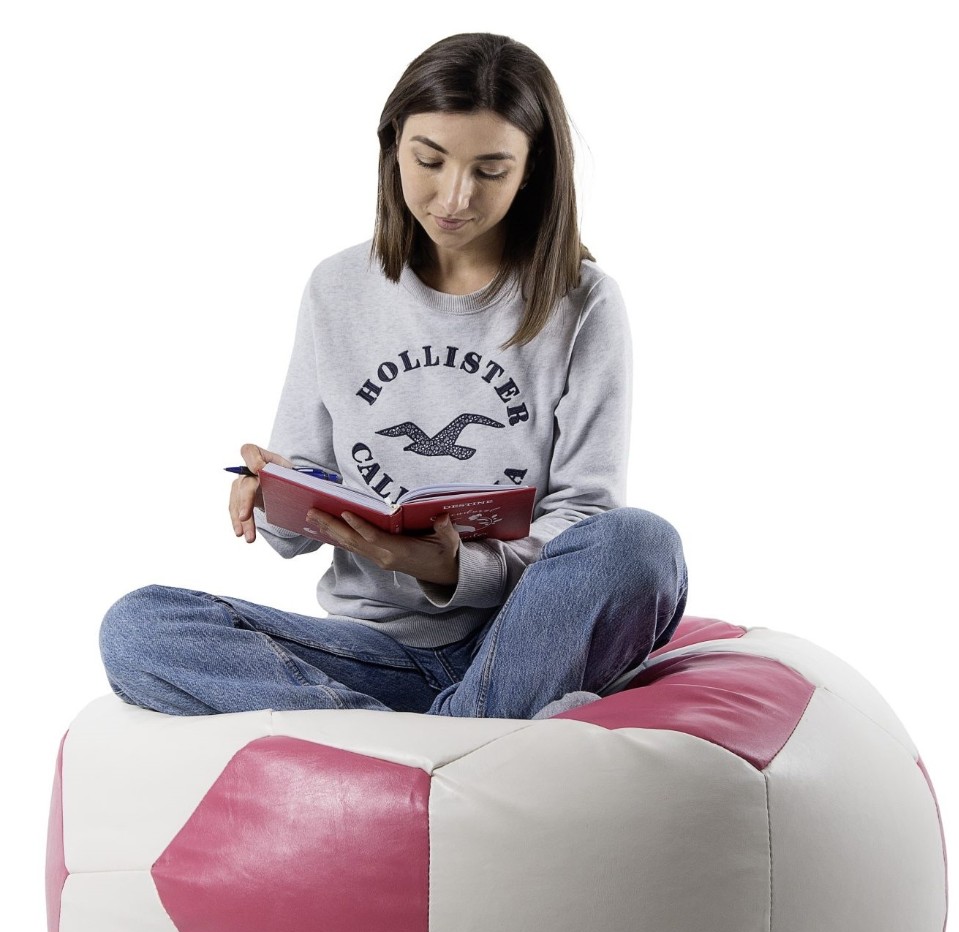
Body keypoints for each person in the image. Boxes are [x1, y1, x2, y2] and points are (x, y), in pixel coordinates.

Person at [100, 32, 688, 720]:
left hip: (522, 639)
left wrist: (450, 567)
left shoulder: (583, 302)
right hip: (374, 651)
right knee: (138, 626)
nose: (454, 196)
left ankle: (422, 733)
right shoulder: (337, 287)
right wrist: (272, 495)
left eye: (490, 170)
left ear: (532, 170)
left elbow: (585, 515)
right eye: (429, 161)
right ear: (393, 147)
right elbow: (298, 526)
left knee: (640, 543)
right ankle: (459, 731)